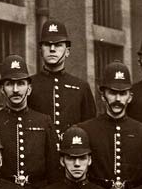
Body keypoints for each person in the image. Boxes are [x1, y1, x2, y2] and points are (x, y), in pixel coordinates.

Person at [0, 55, 55, 189]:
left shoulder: (44, 121)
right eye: (9, 84)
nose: (15, 90)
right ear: (2, 89)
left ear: (29, 88)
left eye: (21, 83)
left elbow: (53, 168)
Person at [85, 60, 142, 189]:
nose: (117, 99)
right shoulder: (87, 130)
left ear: (130, 97)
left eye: (122, 94)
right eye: (112, 92)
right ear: (103, 95)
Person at [34, 18, 98, 149]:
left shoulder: (81, 87)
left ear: (67, 51)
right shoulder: (30, 85)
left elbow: (90, 128)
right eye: (47, 44)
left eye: (58, 45)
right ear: (41, 50)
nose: (52, 49)